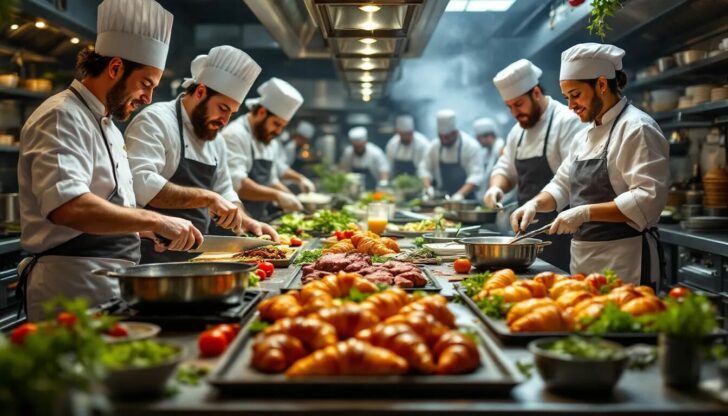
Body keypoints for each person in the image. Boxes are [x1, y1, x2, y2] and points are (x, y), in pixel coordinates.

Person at [16, 0, 194, 320]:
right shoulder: (62, 116)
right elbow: (69, 206)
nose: (148, 99)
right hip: (70, 290)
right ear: (115, 68)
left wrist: (141, 230)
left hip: (104, 286)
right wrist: (155, 220)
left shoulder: (108, 124)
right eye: (146, 84)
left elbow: (102, 203)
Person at [510, 43, 669, 285]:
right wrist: (534, 204)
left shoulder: (637, 128)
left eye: (576, 95)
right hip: (583, 264)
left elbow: (648, 200)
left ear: (602, 84)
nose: (571, 105)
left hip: (625, 265)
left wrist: (585, 213)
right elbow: (562, 185)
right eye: (567, 97)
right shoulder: (584, 135)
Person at [125, 45, 277, 263]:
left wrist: (247, 222)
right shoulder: (155, 120)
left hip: (196, 255)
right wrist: (207, 197)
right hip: (151, 256)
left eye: (232, 113)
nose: (225, 121)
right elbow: (141, 184)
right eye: (222, 108)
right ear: (200, 92)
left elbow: (225, 190)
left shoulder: (215, 138)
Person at [484, 59, 585, 270]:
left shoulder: (567, 121)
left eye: (518, 104)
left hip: (560, 234)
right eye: (509, 107)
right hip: (526, 236)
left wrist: (535, 204)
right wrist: (496, 188)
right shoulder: (518, 131)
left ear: (536, 93)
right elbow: (505, 169)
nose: (514, 113)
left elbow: (571, 180)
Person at [222, 78, 305, 220]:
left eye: (282, 127)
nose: (278, 131)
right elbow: (238, 184)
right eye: (276, 124)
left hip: (257, 218)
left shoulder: (267, 139)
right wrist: (277, 196)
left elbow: (271, 180)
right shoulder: (235, 135)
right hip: (231, 222)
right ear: (261, 112)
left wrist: (288, 195)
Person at [419, 109, 484, 201]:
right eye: (441, 137)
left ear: (455, 132)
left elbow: (476, 175)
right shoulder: (434, 146)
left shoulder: (471, 146)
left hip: (467, 201)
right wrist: (428, 187)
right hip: (442, 198)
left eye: (447, 137)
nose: (444, 140)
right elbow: (425, 168)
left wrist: (459, 195)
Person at [385, 115, 429, 179]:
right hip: (397, 183)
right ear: (398, 133)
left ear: (412, 132)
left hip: (418, 182)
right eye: (402, 135)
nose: (405, 138)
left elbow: (425, 168)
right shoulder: (392, 144)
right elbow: (389, 166)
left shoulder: (422, 144)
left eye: (408, 135)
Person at [472, 117, 505, 200]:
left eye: (479, 138)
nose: (479, 141)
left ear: (489, 135)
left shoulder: (501, 149)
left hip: (504, 197)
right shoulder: (485, 152)